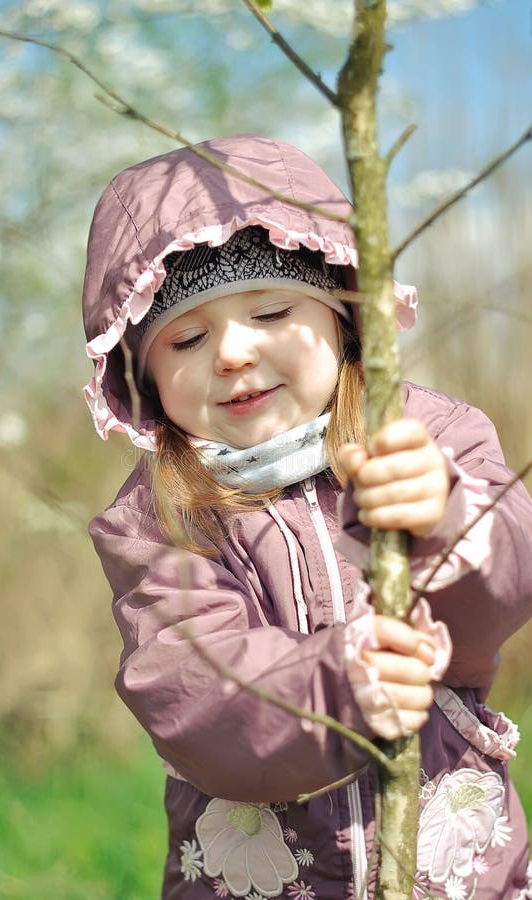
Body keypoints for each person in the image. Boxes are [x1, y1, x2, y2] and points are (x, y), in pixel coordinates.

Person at [82, 134, 532, 899]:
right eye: (187, 337)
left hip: (458, 870)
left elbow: (511, 585)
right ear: (143, 376)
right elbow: (190, 690)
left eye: (271, 309)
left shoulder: (427, 439)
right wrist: (339, 687)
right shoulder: (160, 518)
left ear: (342, 317)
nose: (232, 353)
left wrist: (448, 516)